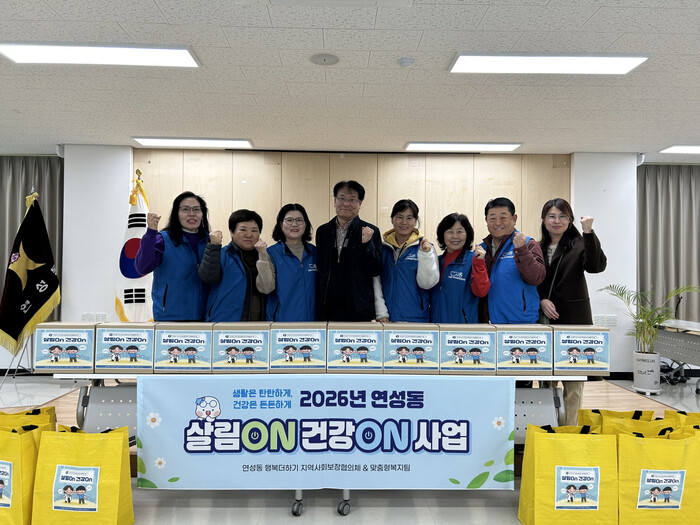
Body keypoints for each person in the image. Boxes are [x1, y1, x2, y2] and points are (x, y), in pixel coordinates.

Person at [538, 198, 607, 425]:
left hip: (574, 321)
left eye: (562, 216)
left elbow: (596, 266)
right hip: (545, 320)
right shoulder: (536, 247)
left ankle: (570, 430)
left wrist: (588, 232)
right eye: (552, 216)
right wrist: (541, 299)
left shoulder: (579, 244)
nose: (556, 221)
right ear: (544, 220)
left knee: (573, 383)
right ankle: (548, 426)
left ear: (570, 220)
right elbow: (532, 281)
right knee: (546, 381)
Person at [134, 191, 211, 321]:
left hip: (206, 317)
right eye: (185, 209)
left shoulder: (209, 241)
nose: (192, 214)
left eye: (197, 209)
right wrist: (151, 234)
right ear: (176, 213)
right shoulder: (162, 239)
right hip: (170, 317)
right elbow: (142, 267)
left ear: (203, 214)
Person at [316, 181, 383, 321]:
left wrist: (366, 244)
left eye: (352, 199)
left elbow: (375, 269)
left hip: (359, 307)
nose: (346, 204)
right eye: (341, 198)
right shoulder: (323, 231)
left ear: (360, 203)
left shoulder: (370, 231)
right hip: (328, 306)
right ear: (335, 201)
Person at [478, 197, 545, 323]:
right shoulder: (481, 249)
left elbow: (536, 277)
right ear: (486, 220)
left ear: (514, 219)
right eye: (492, 218)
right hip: (488, 324)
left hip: (520, 323)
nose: (498, 223)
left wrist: (521, 250)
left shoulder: (528, 244)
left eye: (503, 218)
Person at [198, 209, 271, 322]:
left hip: (259, 324)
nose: (249, 235)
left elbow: (268, 288)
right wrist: (213, 247)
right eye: (243, 229)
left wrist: (263, 256)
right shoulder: (221, 254)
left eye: (254, 230)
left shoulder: (265, 256)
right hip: (225, 323)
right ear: (232, 232)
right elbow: (208, 278)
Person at [374, 199, 439, 322]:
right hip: (387, 319)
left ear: (415, 221)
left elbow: (427, 283)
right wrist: (381, 313)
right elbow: (376, 283)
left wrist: (425, 255)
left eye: (409, 218)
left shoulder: (425, 248)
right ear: (392, 219)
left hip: (417, 319)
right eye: (399, 217)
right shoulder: (382, 249)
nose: (404, 222)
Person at [259, 204, 317, 321]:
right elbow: (265, 288)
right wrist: (262, 256)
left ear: (306, 224)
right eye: (289, 220)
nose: (294, 224)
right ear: (281, 224)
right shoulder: (271, 253)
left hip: (314, 324)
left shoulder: (315, 252)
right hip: (282, 324)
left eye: (299, 220)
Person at [429, 213, 490, 324]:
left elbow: (481, 292)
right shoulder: (435, 262)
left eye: (460, 231)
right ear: (442, 234)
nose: (455, 236)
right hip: (436, 327)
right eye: (450, 232)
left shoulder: (474, 260)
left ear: (467, 234)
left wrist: (479, 263)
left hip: (462, 329)